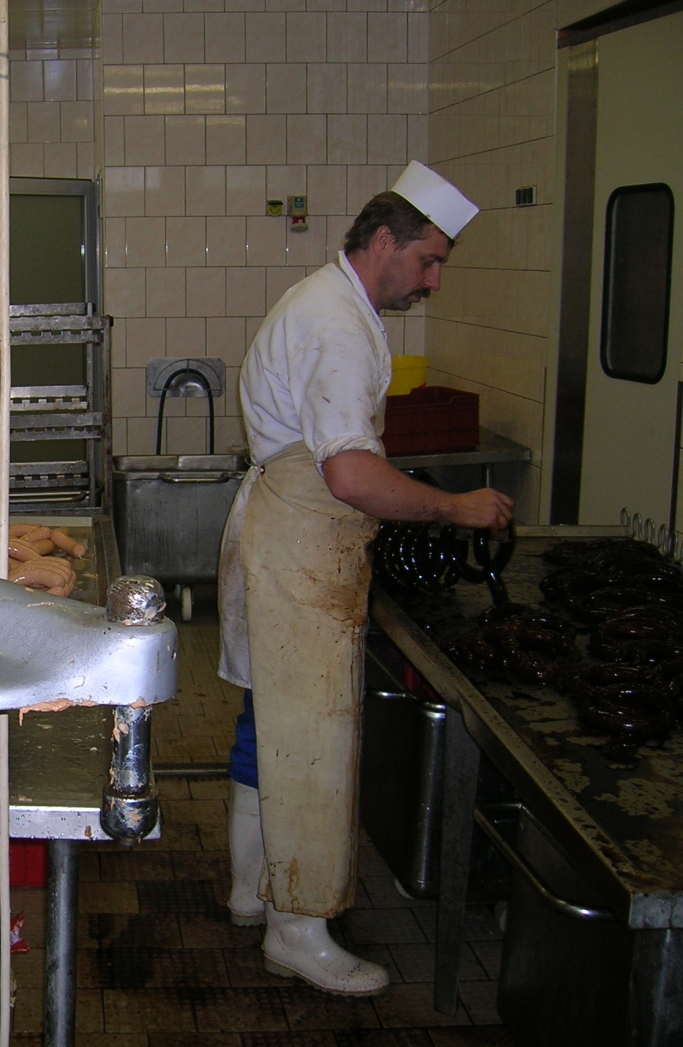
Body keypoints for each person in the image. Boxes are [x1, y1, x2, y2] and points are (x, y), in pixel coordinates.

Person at [218, 162, 515, 996]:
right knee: (312, 738)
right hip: (303, 544)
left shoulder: (328, 301)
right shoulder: (339, 323)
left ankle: (251, 889)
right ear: (384, 240)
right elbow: (350, 475)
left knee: (270, 720)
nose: (433, 280)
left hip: (285, 532)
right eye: (428, 260)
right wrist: (452, 507)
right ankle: (299, 931)